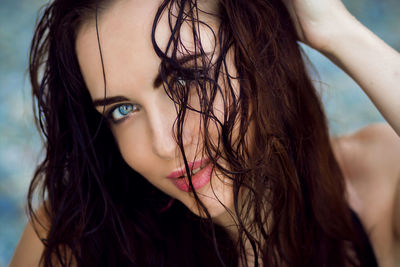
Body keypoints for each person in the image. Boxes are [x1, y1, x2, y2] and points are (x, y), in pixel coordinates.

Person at [10, 0, 400, 266]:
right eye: (122, 109)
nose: (164, 144)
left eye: (186, 81)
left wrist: (335, 32)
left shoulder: (377, 183)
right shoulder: (73, 241)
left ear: (259, 49)